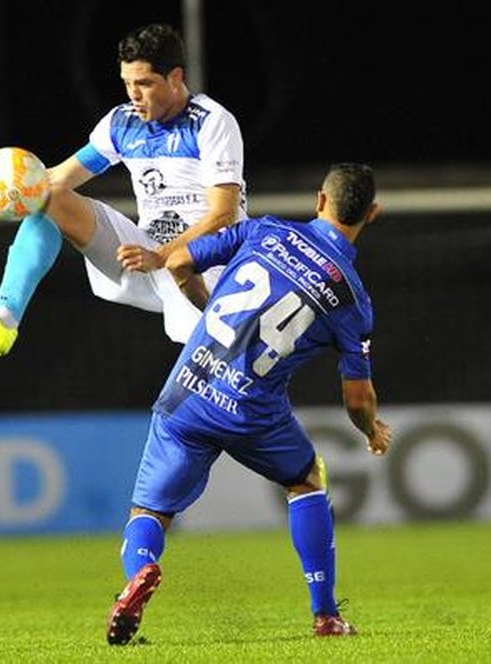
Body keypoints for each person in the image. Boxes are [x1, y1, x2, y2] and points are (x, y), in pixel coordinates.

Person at [106, 163, 393, 645]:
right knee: (306, 480)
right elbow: (357, 396)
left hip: (190, 390)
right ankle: (325, 616)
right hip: (253, 411)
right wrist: (370, 431)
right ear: (373, 213)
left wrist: (208, 311)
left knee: (150, 511)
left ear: (320, 200)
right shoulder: (352, 299)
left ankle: (141, 571)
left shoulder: (266, 229)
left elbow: (178, 263)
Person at [0, 23, 247, 356]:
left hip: (205, 266)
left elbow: (223, 214)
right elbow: (49, 181)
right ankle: (3, 316)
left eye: (144, 84)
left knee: (212, 381)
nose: (134, 95)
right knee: (48, 196)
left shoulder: (213, 122)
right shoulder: (122, 123)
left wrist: (162, 256)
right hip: (142, 256)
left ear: (175, 78)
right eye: (128, 83)